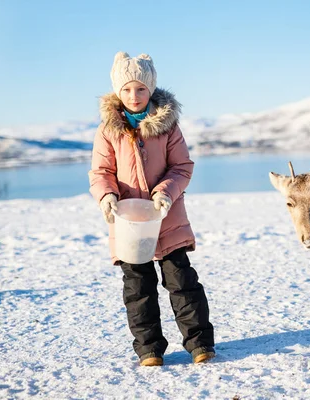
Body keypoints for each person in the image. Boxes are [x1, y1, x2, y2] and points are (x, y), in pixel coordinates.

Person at [88, 52, 215, 367]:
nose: (134, 96)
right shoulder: (108, 130)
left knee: (181, 280)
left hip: (167, 215)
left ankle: (199, 344)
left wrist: (165, 194)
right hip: (129, 222)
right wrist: (106, 197)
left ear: (151, 89)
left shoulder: (168, 126)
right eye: (127, 89)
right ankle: (149, 350)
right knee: (138, 287)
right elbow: (100, 173)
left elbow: (182, 167)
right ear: (118, 91)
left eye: (141, 89)